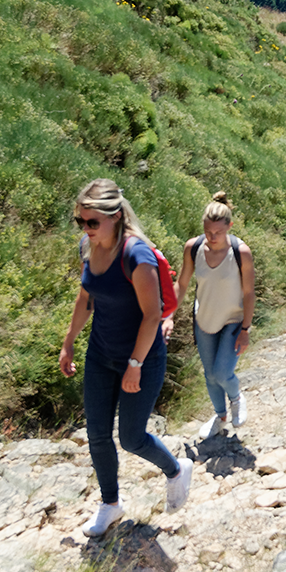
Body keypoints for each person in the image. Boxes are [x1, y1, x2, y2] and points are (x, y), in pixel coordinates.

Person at [59, 178, 193, 536]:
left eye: (92, 222)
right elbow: (86, 297)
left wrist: (134, 364)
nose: (86, 229)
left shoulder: (137, 255)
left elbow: (152, 316)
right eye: (80, 221)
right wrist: (69, 341)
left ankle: (176, 470)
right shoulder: (89, 248)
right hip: (101, 355)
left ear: (115, 216)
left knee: (132, 438)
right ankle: (110, 504)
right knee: (98, 435)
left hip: (142, 358)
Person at [184, 193, 257, 443]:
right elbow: (182, 283)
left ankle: (236, 398)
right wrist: (167, 315)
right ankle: (220, 416)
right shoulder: (193, 248)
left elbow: (249, 293)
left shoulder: (240, 252)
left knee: (222, 372)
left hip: (234, 319)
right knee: (209, 374)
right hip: (204, 317)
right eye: (207, 231)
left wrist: (246, 328)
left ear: (229, 227)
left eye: (217, 231)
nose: (212, 237)